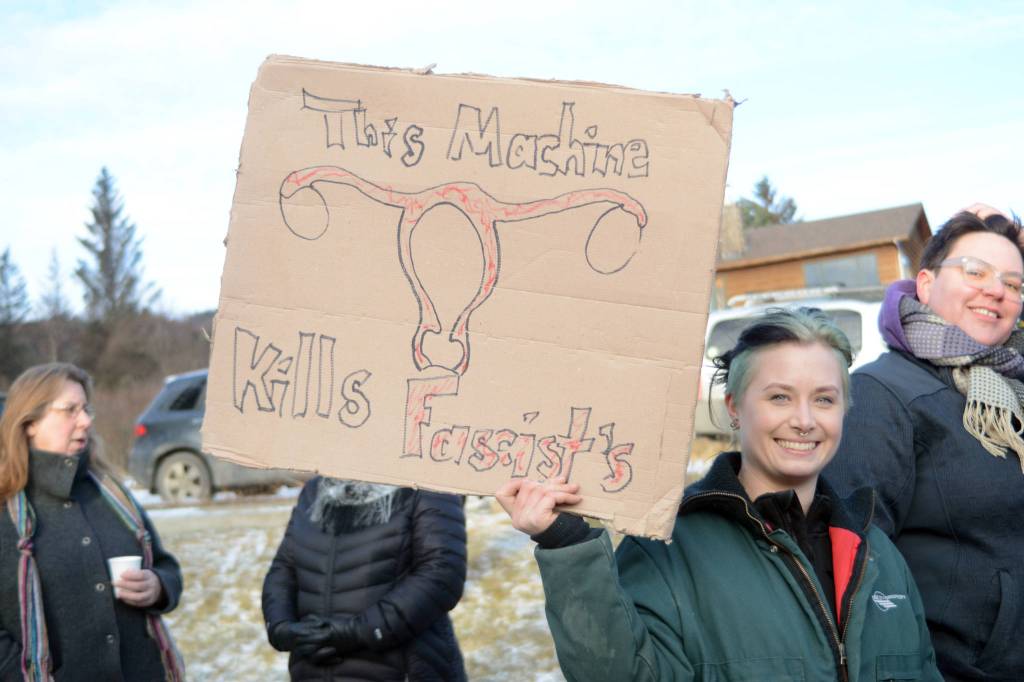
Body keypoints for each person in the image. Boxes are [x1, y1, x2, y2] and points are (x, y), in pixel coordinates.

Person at [497, 308, 941, 681]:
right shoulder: (667, 549)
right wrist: (566, 544)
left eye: (824, 399)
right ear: (733, 407)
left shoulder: (877, 552)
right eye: (780, 397)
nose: (805, 420)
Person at [825, 208, 1024, 681]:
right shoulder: (881, 395)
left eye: (1014, 284)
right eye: (975, 271)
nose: (996, 290)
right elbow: (852, 575)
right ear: (927, 285)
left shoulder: (1013, 391)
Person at [0, 363, 184, 681]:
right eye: (70, 410)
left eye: (86, 409)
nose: (85, 421)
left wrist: (157, 586)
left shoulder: (111, 494)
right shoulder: (4, 511)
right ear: (29, 422)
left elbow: (166, 567)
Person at [262, 477, 468, 681]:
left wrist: (357, 632)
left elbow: (441, 575)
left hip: (400, 667)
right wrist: (283, 629)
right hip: (314, 670)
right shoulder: (315, 489)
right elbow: (284, 568)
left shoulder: (427, 486)